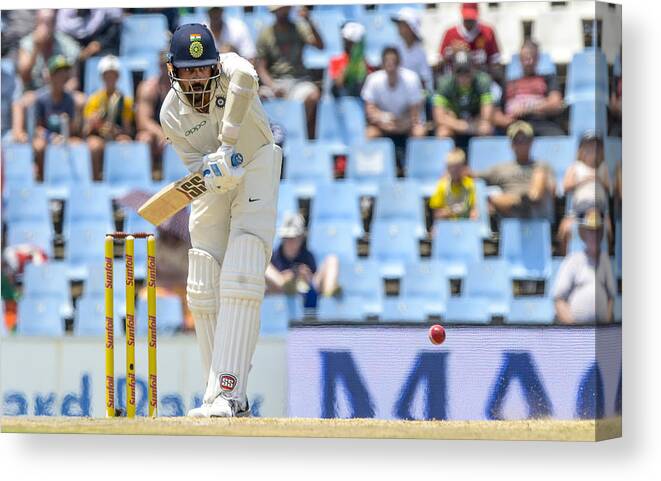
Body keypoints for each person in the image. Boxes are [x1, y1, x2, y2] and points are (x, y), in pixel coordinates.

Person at [159, 23, 282, 417]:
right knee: (202, 274)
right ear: (172, 71)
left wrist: (227, 145)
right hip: (214, 180)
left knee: (243, 263)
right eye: (188, 70)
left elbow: (246, 76)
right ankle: (217, 393)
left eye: (203, 68)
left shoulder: (232, 69)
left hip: (258, 161)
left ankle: (230, 393)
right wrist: (213, 173)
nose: (196, 77)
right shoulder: (171, 115)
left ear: (214, 64)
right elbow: (195, 169)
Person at [255, 5, 323, 139]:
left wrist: (309, 21)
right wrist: (272, 86)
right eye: (280, 9)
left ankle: (295, 132)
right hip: (275, 82)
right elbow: (261, 67)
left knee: (313, 95)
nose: (284, 12)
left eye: (285, 8)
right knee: (257, 97)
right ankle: (266, 136)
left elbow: (320, 46)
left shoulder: (300, 28)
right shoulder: (265, 34)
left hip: (299, 81)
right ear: (274, 12)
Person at [12, 55, 82, 180]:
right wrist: (51, 137)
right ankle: (43, 181)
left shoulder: (69, 100)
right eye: (58, 73)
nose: (62, 76)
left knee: (78, 145)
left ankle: (71, 180)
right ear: (50, 76)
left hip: (64, 138)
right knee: (39, 147)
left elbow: (71, 127)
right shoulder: (41, 99)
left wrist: (63, 137)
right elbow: (38, 128)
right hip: (45, 138)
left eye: (64, 73)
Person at [474, 121, 555, 220]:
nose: (522, 144)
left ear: (531, 142)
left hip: (536, 210)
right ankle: (521, 201)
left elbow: (552, 190)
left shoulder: (542, 165)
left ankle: (524, 201)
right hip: (511, 211)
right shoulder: (500, 169)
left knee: (540, 174)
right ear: (511, 144)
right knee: (493, 198)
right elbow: (474, 175)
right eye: (517, 141)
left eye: (525, 140)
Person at [361, 47, 425, 171]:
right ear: (382, 64)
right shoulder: (373, 80)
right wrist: (383, 120)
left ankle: (413, 168)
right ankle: (377, 169)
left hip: (406, 125)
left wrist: (401, 125)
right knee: (370, 134)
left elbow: (415, 115)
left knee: (419, 132)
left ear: (399, 63)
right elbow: (370, 111)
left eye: (394, 62)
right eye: (387, 62)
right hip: (383, 125)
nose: (391, 66)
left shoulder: (411, 79)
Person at [553, 207, 615, 324]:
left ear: (602, 234)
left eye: (597, 231)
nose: (594, 235)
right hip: (576, 333)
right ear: (584, 233)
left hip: (602, 332)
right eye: (590, 231)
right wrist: (574, 329)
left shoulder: (605, 261)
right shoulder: (573, 260)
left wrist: (607, 326)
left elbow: (611, 298)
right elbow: (559, 299)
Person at [265, 213, 340, 308]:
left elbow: (313, 286)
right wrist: (286, 279)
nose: (289, 242)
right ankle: (286, 286)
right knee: (265, 267)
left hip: (306, 298)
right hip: (280, 300)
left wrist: (307, 277)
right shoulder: (274, 257)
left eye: (293, 238)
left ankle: (329, 298)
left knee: (332, 259)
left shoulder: (307, 256)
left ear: (301, 238)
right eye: (286, 238)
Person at [493, 40, 564, 136]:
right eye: (525, 58)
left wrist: (527, 109)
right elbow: (496, 115)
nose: (528, 62)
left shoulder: (548, 79)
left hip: (541, 124)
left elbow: (555, 104)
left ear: (538, 59)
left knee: (558, 137)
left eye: (532, 58)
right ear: (520, 59)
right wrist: (508, 121)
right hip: (514, 125)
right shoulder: (507, 83)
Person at [557, 131, 612, 254]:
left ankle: (606, 257)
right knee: (565, 231)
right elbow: (565, 187)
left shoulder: (603, 167)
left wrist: (598, 179)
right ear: (581, 149)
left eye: (595, 146)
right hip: (578, 213)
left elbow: (610, 189)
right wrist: (585, 179)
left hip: (599, 211)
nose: (592, 149)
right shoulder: (575, 167)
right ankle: (564, 257)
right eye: (588, 146)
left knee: (608, 230)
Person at [83, 55, 134, 180]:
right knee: (93, 146)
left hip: (116, 136)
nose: (110, 78)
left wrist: (116, 131)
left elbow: (127, 129)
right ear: (102, 77)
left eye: (113, 75)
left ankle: (121, 179)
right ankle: (95, 181)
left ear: (118, 77)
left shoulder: (125, 101)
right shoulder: (94, 99)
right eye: (107, 75)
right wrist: (95, 124)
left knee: (125, 143)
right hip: (99, 136)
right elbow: (86, 129)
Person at [433, 50, 494, 146]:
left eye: (466, 71)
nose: (463, 76)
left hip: (475, 122)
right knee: (442, 132)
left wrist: (475, 123)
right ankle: (451, 160)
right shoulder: (444, 84)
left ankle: (484, 160)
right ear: (453, 71)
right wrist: (461, 125)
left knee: (485, 129)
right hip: (454, 123)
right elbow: (439, 117)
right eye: (459, 72)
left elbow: (487, 115)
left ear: (473, 69)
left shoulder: (483, 81)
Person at [17, 9, 80, 92]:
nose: (45, 27)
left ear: (55, 24)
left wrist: (57, 95)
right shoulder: (26, 44)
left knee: (80, 100)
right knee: (19, 104)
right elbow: (24, 78)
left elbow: (73, 81)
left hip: (60, 94)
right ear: (36, 23)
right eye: (41, 22)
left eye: (49, 23)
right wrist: (36, 49)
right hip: (33, 94)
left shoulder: (68, 46)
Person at [438, 2, 502, 81]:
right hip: (455, 81)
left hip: (481, 80)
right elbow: (439, 64)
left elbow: (496, 63)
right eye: (466, 18)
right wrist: (452, 52)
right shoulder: (450, 33)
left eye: (471, 18)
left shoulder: (487, 32)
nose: (469, 21)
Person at [135, 52, 171, 171]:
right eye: (163, 65)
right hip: (157, 134)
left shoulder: (182, 87)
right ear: (159, 66)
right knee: (145, 138)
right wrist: (162, 134)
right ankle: (149, 175)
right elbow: (143, 121)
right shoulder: (148, 88)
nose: (166, 68)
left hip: (175, 131)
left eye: (169, 64)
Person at [390, 7, 433, 92]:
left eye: (402, 24)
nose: (398, 27)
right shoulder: (395, 47)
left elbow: (426, 81)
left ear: (411, 28)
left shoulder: (421, 52)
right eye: (398, 24)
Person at [429, 148, 477, 220]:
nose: (454, 172)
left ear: (463, 167)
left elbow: (475, 209)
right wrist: (452, 211)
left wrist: (473, 215)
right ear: (447, 168)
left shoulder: (470, 184)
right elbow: (437, 215)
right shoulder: (442, 185)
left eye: (457, 168)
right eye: (451, 168)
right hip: (447, 225)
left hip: (466, 224)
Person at [328, 21, 370, 98]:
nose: (347, 44)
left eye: (352, 43)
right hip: (343, 101)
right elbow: (336, 85)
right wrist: (348, 67)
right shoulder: (336, 60)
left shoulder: (364, 62)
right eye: (346, 41)